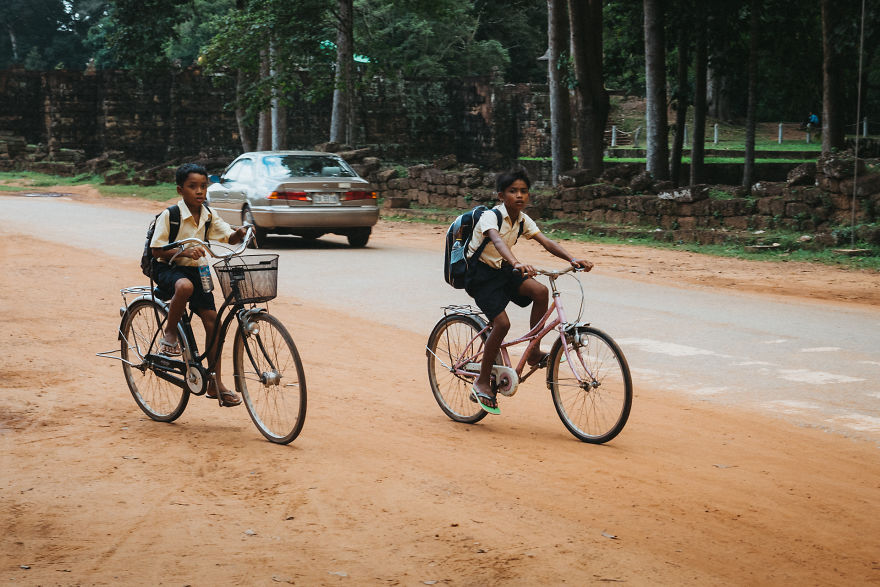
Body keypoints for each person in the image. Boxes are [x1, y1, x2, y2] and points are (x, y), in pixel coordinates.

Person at [464, 166, 593, 414]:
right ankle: (481, 381)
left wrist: (572, 259)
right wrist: (516, 263)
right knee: (502, 324)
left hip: (501, 269)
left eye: (523, 191)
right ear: (501, 195)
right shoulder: (491, 216)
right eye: (513, 191)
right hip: (479, 275)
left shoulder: (522, 219)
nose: (519, 195)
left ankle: (533, 352)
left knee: (541, 292)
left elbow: (546, 241)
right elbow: (497, 240)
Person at [150, 163, 248, 407]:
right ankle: (170, 333)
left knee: (214, 322)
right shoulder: (170, 215)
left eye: (203, 186)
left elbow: (228, 236)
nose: (199, 191)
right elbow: (156, 250)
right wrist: (184, 251)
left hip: (197, 270)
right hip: (169, 267)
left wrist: (241, 233)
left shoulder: (208, 215)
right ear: (180, 189)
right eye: (192, 186)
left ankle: (215, 382)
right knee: (184, 287)